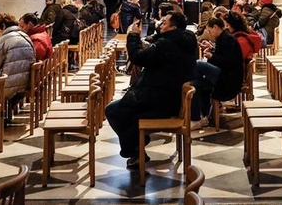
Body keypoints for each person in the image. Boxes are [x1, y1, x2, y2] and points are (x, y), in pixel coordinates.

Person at [104, 12, 198, 169]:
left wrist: (133, 36)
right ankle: (136, 149)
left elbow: (138, 58)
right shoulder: (183, 41)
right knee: (120, 110)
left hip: (159, 103)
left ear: (173, 27)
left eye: (164, 23)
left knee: (114, 111)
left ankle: (136, 150)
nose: (161, 24)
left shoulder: (167, 45)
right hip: (170, 98)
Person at [187, 17, 244, 129]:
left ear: (216, 27)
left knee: (198, 63)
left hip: (229, 77)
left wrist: (212, 56)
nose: (209, 33)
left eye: (210, 30)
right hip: (223, 73)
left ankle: (200, 117)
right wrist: (212, 49)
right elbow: (222, 56)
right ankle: (200, 118)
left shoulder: (227, 39)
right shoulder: (223, 38)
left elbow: (229, 61)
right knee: (195, 84)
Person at [0, 13, 36, 124]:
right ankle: (0, 113)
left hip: (8, 82)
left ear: (4, 26)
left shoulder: (4, 39)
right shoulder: (25, 36)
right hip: (25, 80)